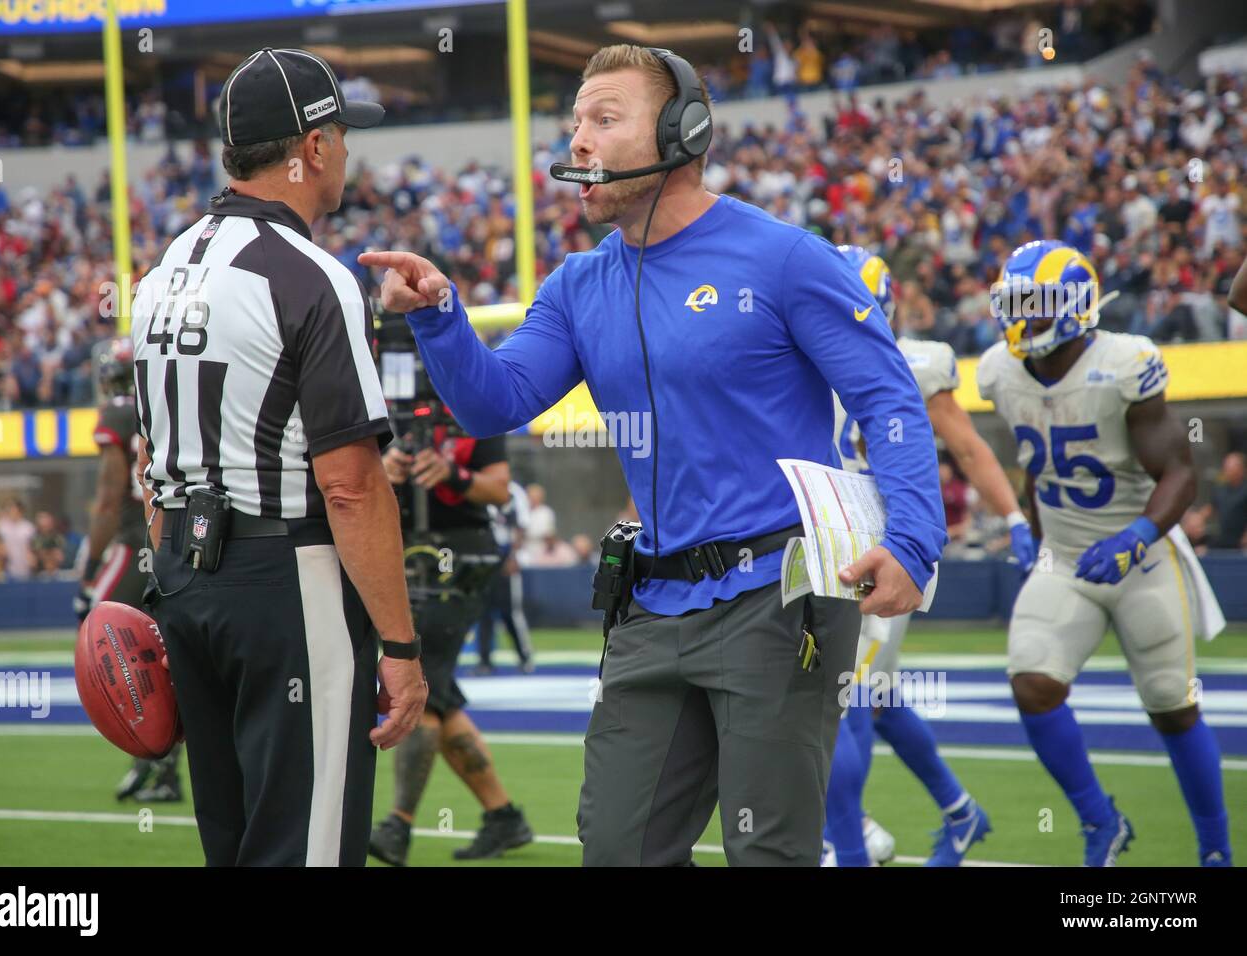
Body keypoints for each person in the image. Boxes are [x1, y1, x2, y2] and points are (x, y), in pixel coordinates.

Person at [361, 45, 945, 866]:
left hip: (775, 598)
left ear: (683, 132)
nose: (579, 143)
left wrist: (914, 540)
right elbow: (494, 402)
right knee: (618, 849)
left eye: (605, 119)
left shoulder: (786, 259)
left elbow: (889, 399)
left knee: (769, 853)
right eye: (575, 124)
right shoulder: (576, 285)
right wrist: (438, 316)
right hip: (647, 605)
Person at [131, 47, 425, 866]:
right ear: (315, 146)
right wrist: (401, 650)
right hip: (286, 581)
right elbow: (351, 485)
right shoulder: (311, 276)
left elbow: (148, 456)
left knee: (232, 846)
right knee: (308, 848)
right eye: (339, 133)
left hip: (186, 581)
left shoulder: (161, 273)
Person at [981, 239, 1230, 866]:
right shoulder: (999, 372)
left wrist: (1137, 537)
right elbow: (1039, 467)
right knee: (1032, 682)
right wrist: (1030, 532)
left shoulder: (1125, 364)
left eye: (1035, 307)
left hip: (1139, 554)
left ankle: (1216, 853)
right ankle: (1101, 821)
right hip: (1065, 555)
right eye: (1014, 306)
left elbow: (1179, 471)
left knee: (1173, 706)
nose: (1021, 320)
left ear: (1075, 307)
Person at [823, 245, 1037, 868]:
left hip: (884, 547)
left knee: (843, 700)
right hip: (828, 540)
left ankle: (846, 842)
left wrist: (1016, 516)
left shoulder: (914, 362)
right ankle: (960, 812)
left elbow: (967, 450)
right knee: (876, 696)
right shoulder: (799, 349)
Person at [367, 381, 534, 866]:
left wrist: (453, 475)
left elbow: (498, 489)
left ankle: (398, 824)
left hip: (459, 555)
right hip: (407, 550)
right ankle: (503, 816)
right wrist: (387, 470)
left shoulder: (477, 405)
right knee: (439, 692)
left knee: (423, 686)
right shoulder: (386, 405)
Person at [74, 336, 185, 802]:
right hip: (172, 541)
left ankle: (155, 757)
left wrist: (90, 566)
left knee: (109, 643)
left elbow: (108, 496)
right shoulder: (167, 401)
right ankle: (158, 764)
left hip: (132, 542)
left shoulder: (116, 415)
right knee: (167, 653)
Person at [474, 480, 535, 674]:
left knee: (510, 611)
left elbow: (520, 526)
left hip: (504, 553)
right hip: (483, 553)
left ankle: (524, 657)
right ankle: (484, 661)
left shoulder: (514, 491)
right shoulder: (477, 486)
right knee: (482, 611)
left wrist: (512, 556)